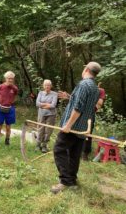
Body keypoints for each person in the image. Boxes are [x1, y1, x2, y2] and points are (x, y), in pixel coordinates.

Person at [51, 62, 101, 194]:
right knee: (74, 154)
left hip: (73, 127)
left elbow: (78, 108)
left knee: (59, 150)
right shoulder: (95, 88)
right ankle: (72, 181)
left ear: (86, 69)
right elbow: (84, 104)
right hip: (83, 128)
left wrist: (68, 125)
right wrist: (69, 97)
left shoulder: (83, 84)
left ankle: (65, 181)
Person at [82, 82, 106, 160]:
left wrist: (96, 93)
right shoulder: (84, 88)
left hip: (90, 113)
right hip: (79, 112)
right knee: (76, 131)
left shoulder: (101, 91)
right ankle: (76, 150)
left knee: (88, 133)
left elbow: (99, 104)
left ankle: (85, 153)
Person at [0, 71, 18, 145]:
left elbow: (15, 97)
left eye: (12, 78)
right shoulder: (0, 86)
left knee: (8, 127)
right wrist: (1, 102)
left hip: (10, 109)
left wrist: (10, 102)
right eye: (8, 78)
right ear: (5, 78)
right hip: (0, 108)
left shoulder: (15, 88)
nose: (10, 80)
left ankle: (7, 141)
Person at [36, 79, 58, 153]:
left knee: (48, 130)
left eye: (48, 85)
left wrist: (42, 105)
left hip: (51, 115)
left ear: (51, 86)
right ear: (43, 86)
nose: (47, 86)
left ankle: (44, 145)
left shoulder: (54, 94)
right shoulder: (40, 93)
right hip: (41, 114)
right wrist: (47, 105)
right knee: (40, 128)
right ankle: (38, 144)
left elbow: (53, 105)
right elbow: (37, 103)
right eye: (45, 85)